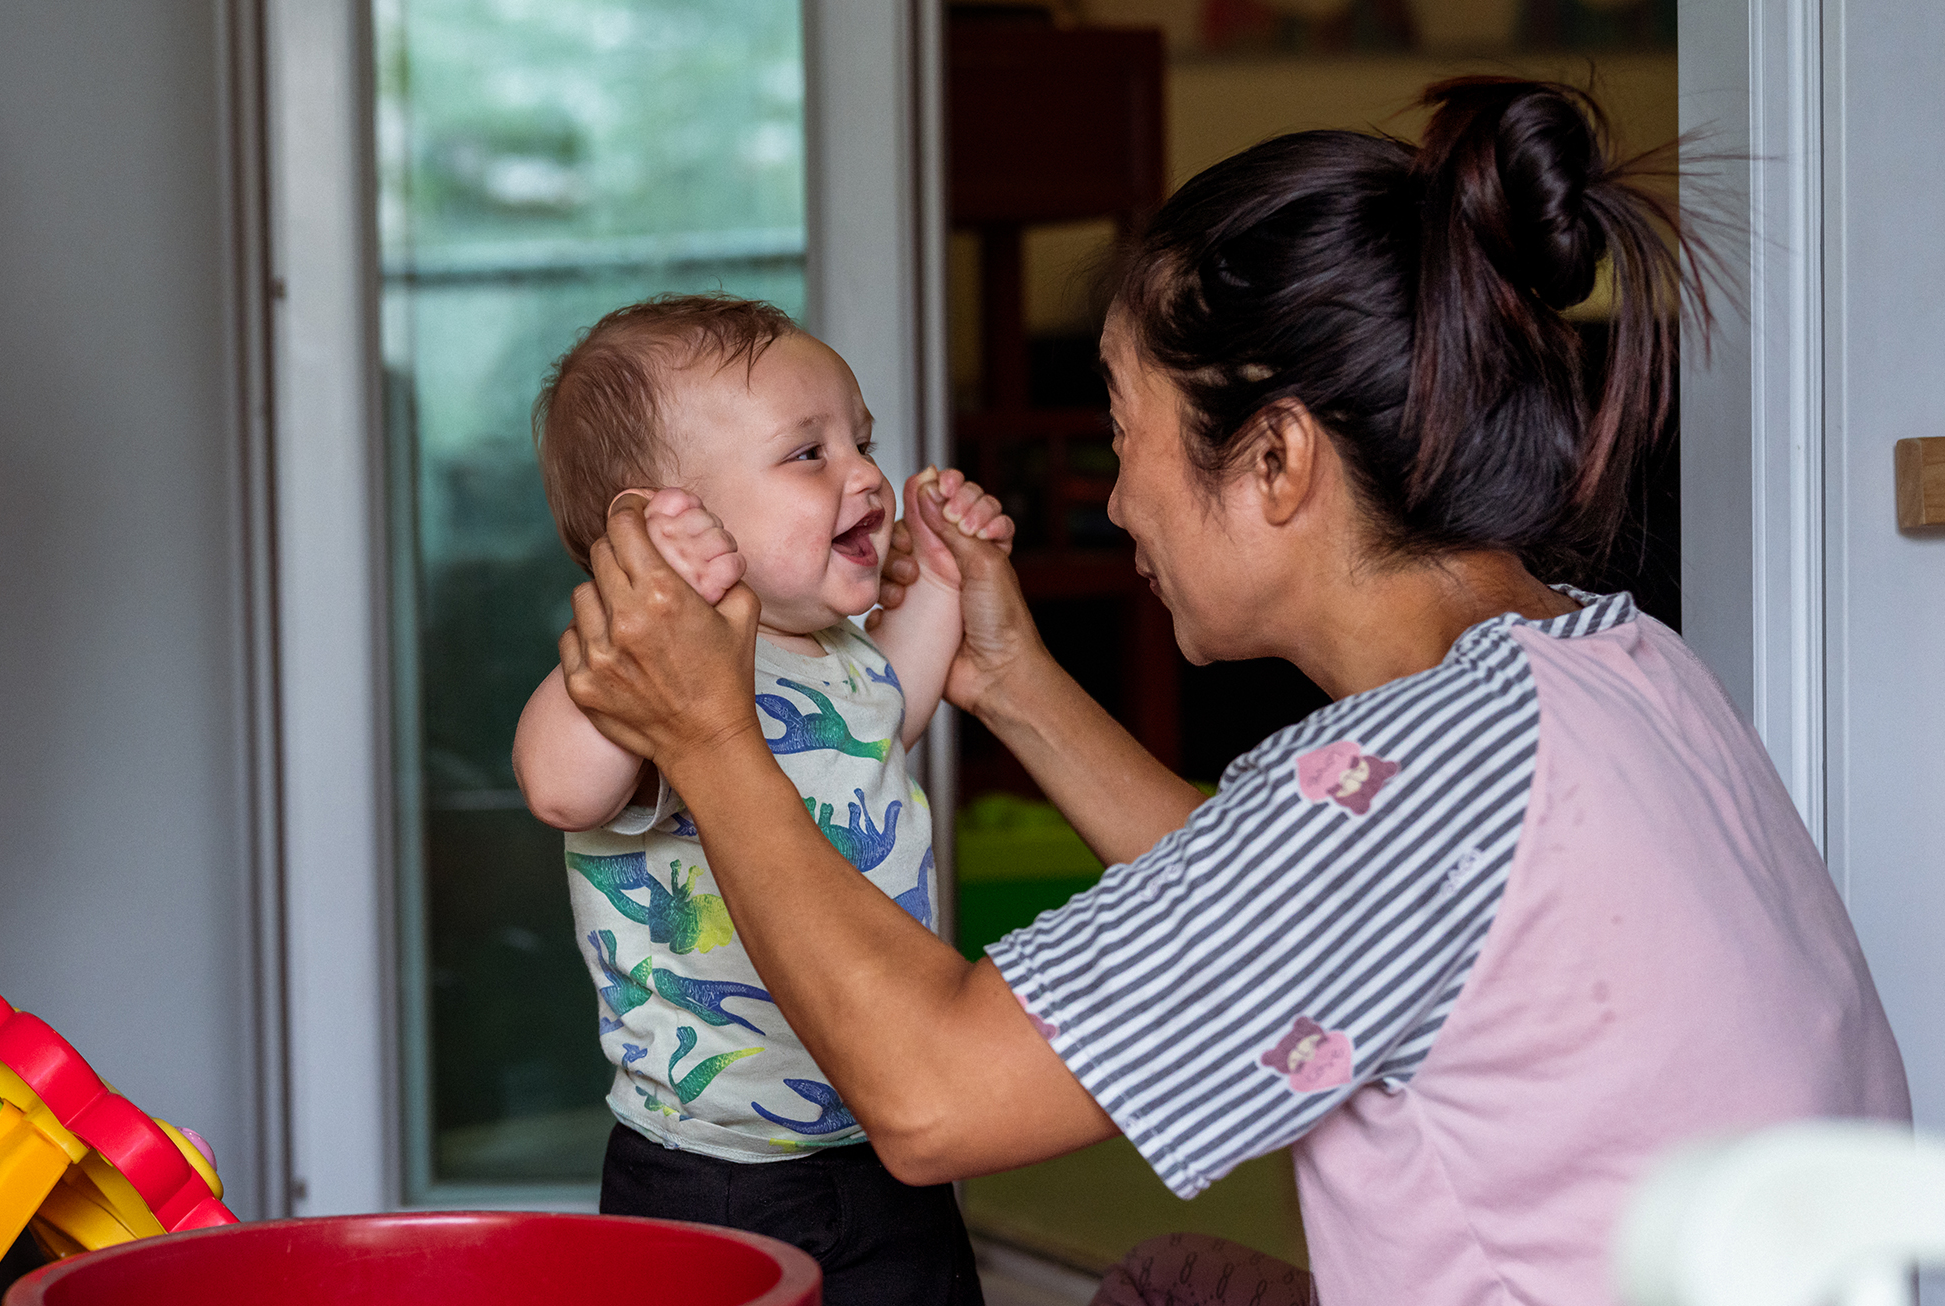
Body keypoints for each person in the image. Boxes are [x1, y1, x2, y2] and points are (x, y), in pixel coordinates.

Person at [552, 80, 1912, 1306]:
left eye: (1124, 431)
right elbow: (1286, 902)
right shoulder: (1617, 668)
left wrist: (710, 733)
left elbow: (928, 1097)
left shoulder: (1406, 782)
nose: (1116, 492)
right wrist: (1012, 677)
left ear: (1274, 462)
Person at [512, 293, 1012, 1306]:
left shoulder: (840, 662)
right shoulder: (651, 674)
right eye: (809, 454)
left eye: (859, 442)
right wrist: (642, 609)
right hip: (708, 1172)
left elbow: (889, 715)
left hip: (884, 1138)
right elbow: (558, 785)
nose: (865, 474)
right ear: (665, 523)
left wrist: (952, 584)